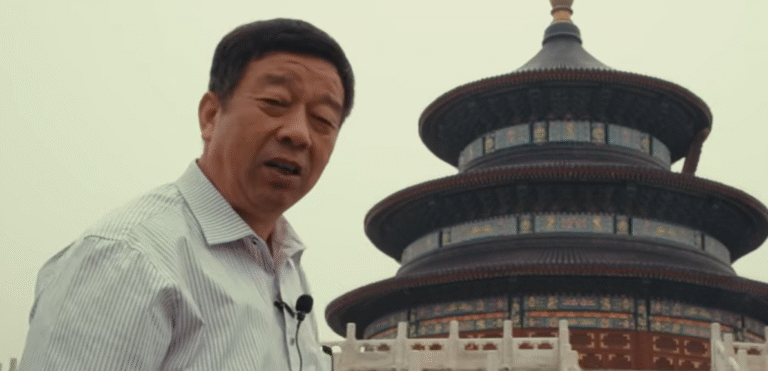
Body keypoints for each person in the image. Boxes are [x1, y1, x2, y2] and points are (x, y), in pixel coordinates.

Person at [19, 18, 354, 371]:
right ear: (210, 116)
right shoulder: (129, 257)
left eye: (322, 120)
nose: (299, 134)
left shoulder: (286, 268)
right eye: (275, 102)